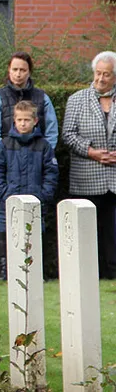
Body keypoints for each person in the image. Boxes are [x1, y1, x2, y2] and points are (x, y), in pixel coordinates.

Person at [62, 51, 116, 278]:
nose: (101, 79)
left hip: (114, 180)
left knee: (114, 234)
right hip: (86, 178)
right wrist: (92, 152)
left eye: (107, 74)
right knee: (86, 232)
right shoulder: (77, 99)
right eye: (98, 73)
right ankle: (86, 277)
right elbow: (68, 135)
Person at [0, 100, 59, 278]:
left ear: (35, 121)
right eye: (19, 120)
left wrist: (43, 195)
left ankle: (35, 272)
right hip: (8, 200)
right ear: (14, 120)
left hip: (35, 200)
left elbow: (51, 173)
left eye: (27, 120)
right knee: (4, 233)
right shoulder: (4, 145)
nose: (23, 123)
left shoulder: (44, 146)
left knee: (35, 235)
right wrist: (4, 194)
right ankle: (4, 271)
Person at [0, 52, 58, 152]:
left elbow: (51, 133)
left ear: (29, 72)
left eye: (22, 70)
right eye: (15, 69)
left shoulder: (43, 98)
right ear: (9, 70)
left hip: (37, 160)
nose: (18, 74)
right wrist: (6, 156)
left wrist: (43, 155)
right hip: (7, 161)